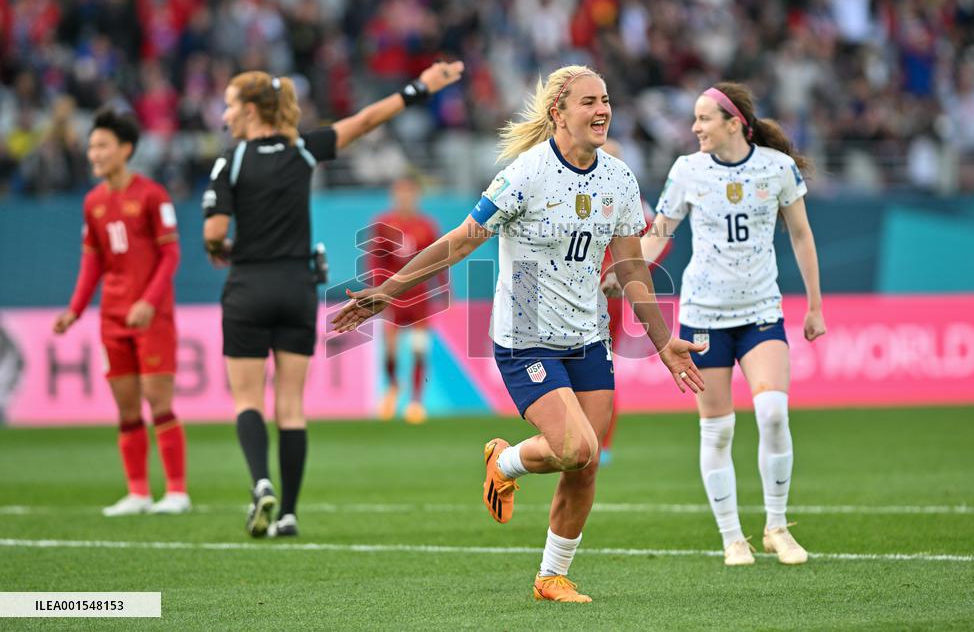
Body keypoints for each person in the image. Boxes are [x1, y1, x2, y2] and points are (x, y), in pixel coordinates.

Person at [332, 65, 705, 602]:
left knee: (585, 462)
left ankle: (550, 574)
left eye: (605, 99)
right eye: (588, 102)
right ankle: (504, 463)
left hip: (588, 335)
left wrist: (663, 341)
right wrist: (389, 290)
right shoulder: (525, 174)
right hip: (525, 336)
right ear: (559, 112)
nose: (602, 110)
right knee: (576, 446)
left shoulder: (620, 179)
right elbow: (463, 240)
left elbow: (630, 269)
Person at [202, 61, 464, 538]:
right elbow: (365, 120)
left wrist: (222, 248)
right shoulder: (303, 149)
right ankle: (289, 514)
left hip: (249, 286)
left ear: (251, 110)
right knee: (291, 407)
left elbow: (214, 233)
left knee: (247, 400)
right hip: (297, 287)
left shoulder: (232, 160)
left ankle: (261, 483)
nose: (225, 116)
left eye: (230, 106)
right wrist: (417, 88)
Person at [605, 81, 826, 566]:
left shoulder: (778, 168)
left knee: (773, 413)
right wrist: (627, 273)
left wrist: (814, 305)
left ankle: (777, 527)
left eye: (704, 118)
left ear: (734, 123)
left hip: (761, 311)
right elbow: (659, 233)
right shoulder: (688, 170)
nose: (695, 127)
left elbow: (802, 235)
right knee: (718, 429)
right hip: (703, 316)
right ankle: (732, 538)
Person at [53, 106, 189, 517]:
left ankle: (177, 492)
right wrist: (75, 310)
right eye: (91, 146)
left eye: (102, 146)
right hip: (112, 317)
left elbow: (171, 255)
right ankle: (138, 492)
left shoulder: (153, 195)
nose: (93, 153)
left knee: (158, 400)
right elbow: (92, 262)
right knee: (127, 407)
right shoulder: (93, 202)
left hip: (152, 315)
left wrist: (148, 301)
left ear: (125, 149)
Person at [595, 138, 668, 466]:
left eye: (616, 159)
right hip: (571, 291)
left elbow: (659, 236)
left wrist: (628, 273)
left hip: (606, 295)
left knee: (600, 368)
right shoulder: (573, 188)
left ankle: (602, 443)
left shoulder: (628, 195)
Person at [367, 177, 444, 424]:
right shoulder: (383, 224)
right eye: (400, 194)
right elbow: (376, 259)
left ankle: (416, 402)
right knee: (390, 350)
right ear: (394, 196)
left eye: (409, 194)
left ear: (417, 196)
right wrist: (376, 289)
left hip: (419, 296)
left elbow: (439, 259)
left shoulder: (427, 226)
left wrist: (444, 289)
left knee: (419, 349)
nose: (405, 198)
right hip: (392, 296)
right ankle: (392, 385)